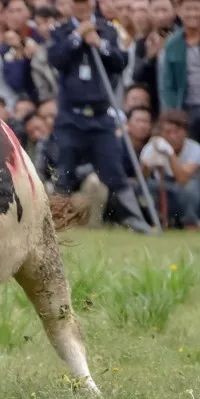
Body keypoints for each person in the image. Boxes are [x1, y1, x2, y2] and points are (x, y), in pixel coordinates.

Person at [48, 0, 153, 232]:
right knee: (64, 169)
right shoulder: (61, 31)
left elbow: (120, 62)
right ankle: (54, 223)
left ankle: (135, 220)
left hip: (100, 116)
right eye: (76, 3)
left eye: (85, 3)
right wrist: (77, 36)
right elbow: (56, 59)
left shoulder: (107, 30)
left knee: (113, 169)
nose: (81, 7)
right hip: (70, 116)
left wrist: (99, 43)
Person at [140, 110, 200, 228]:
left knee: (191, 187)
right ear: (161, 133)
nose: (173, 136)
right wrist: (146, 165)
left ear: (185, 132)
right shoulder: (154, 146)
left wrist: (170, 153)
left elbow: (182, 179)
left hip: (186, 193)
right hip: (163, 189)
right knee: (144, 187)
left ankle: (190, 223)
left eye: (177, 132)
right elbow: (142, 179)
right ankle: (155, 220)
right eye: (168, 132)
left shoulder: (195, 149)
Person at [159, 0, 200, 140]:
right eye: (189, 9)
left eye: (197, 9)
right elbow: (167, 84)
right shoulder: (172, 44)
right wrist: (173, 113)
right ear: (179, 11)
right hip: (186, 108)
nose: (193, 14)